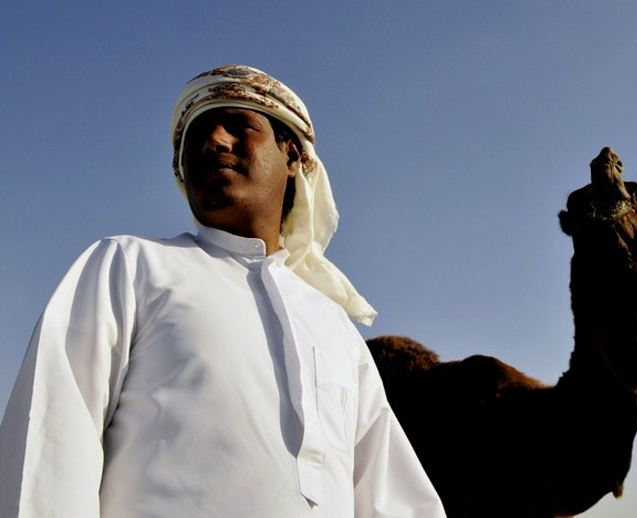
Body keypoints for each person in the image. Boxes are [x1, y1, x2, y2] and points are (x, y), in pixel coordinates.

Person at [0, 65, 446, 518]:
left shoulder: (335, 328)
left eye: (238, 124)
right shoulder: (128, 266)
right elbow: (48, 444)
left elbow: (392, 497)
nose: (213, 142)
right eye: (195, 140)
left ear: (291, 156)